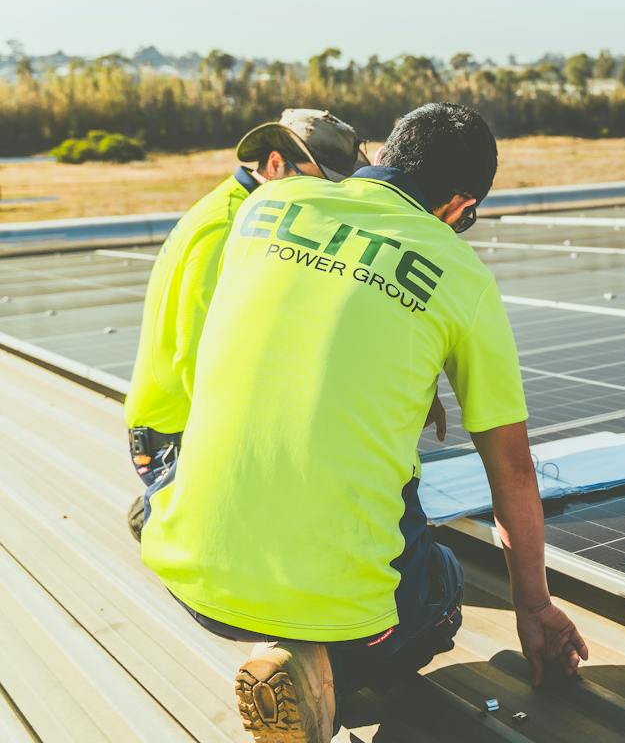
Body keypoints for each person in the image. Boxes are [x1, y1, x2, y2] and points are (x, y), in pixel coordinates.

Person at [140, 101, 588, 743]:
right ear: (460, 206)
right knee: (443, 590)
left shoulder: (267, 206)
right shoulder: (462, 276)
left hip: (187, 572)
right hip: (351, 610)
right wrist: (535, 605)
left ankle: (290, 640)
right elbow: (512, 470)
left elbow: (304, 322)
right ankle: (322, 667)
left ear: (379, 157)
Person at [124, 109, 368, 539]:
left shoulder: (255, 210)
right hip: (175, 434)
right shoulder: (227, 225)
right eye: (323, 183)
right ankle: (164, 506)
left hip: (190, 421)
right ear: (275, 164)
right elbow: (194, 356)